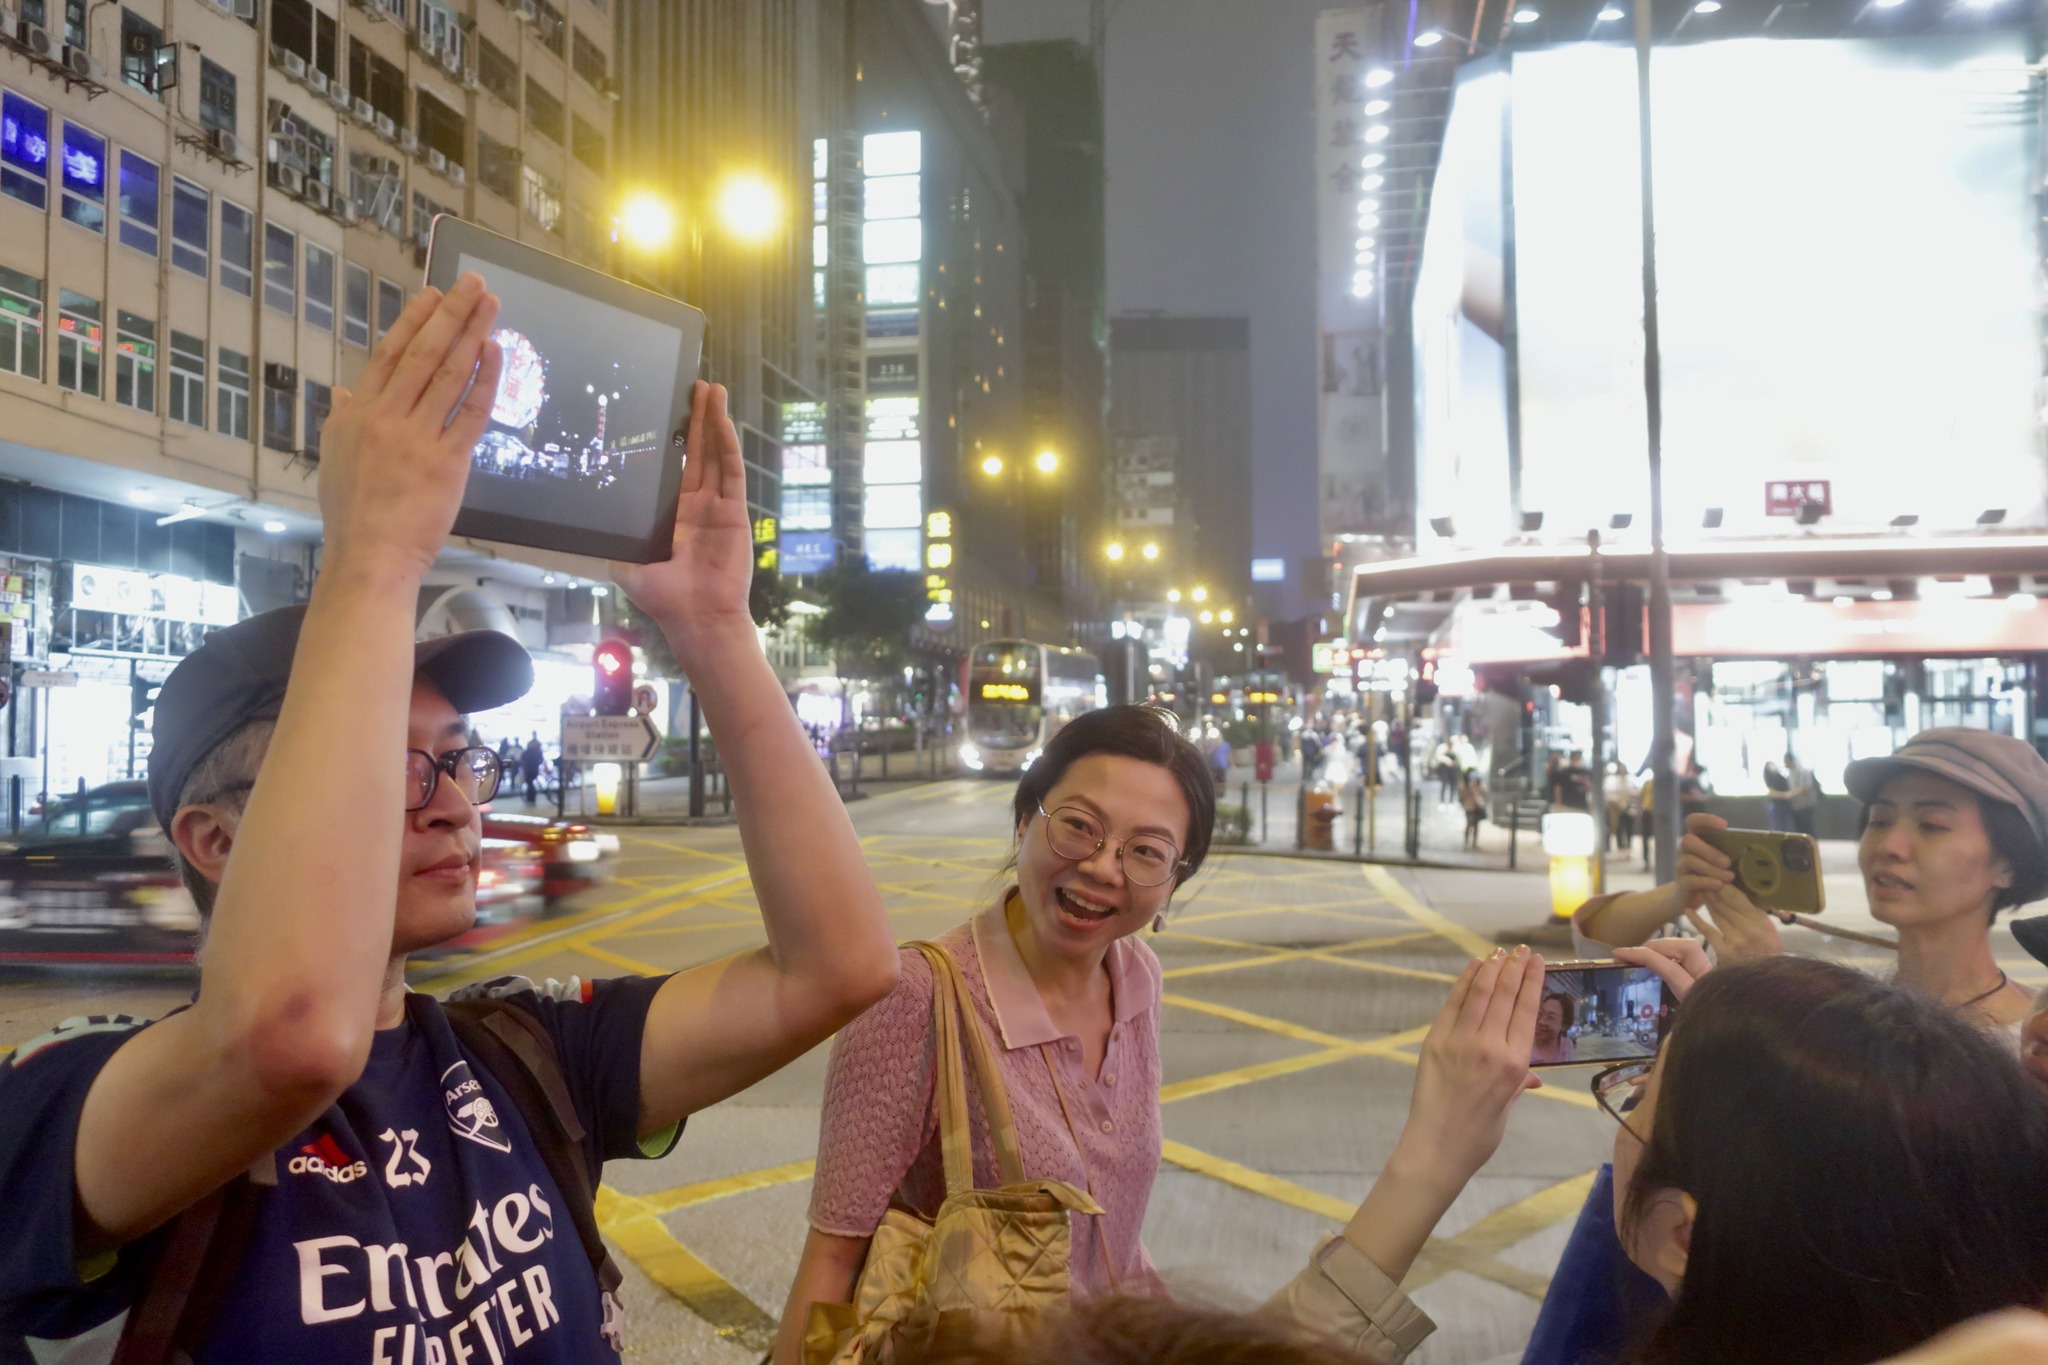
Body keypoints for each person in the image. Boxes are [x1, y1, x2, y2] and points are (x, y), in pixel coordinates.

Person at [0, 283, 900, 1359]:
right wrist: (373, 560)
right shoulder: (70, 1101)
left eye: (460, 760)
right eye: (392, 768)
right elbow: (288, 1040)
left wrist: (715, 629)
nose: (457, 803)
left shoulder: (524, 1056)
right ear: (217, 840)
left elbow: (839, 967)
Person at [774, 705, 1216, 1364]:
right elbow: (834, 1256)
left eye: (1146, 851)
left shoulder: (1136, 976)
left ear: (1175, 878)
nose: (1103, 867)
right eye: (1079, 825)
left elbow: (1112, 1231)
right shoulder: (918, 998)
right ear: (1025, 819)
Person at [1576, 727, 2048, 1039]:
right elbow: (1593, 945)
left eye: (1932, 826)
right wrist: (1681, 894)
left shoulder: (2032, 1040)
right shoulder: (1836, 1006)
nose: (1890, 845)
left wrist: (1765, 986)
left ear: (2007, 866)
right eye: (1880, 821)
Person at [1531, 991, 1575, 1064]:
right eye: (1540, 1013)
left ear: (1564, 1025)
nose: (1541, 1021)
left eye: (1550, 1017)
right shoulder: (1523, 1046)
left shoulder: (1567, 1045)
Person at [1786, 749, 1821, 838]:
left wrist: (1791, 794)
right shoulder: (1790, 773)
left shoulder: (1803, 772)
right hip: (1796, 806)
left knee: (1808, 828)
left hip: (1806, 805)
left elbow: (1807, 787)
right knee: (1799, 829)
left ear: (1790, 760)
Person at [1459, 769, 1488, 850]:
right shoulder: (1465, 784)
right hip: (1469, 806)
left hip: (1477, 806)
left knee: (1476, 825)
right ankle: (1466, 842)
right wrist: (1469, 786)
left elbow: (1484, 792)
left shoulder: (1479, 783)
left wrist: (1477, 786)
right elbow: (1462, 792)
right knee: (1469, 824)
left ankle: (1474, 843)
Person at [1763, 757, 1793, 832]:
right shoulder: (1770, 779)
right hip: (1776, 805)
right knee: (1777, 826)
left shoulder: (1781, 777)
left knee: (1786, 826)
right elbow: (1771, 793)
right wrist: (1784, 795)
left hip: (1785, 804)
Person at [520, 732, 545, 803]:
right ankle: (531, 798)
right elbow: (541, 760)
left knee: (529, 783)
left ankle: (531, 797)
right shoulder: (536, 751)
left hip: (530, 770)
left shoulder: (529, 751)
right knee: (530, 783)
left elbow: (522, 759)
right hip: (532, 769)